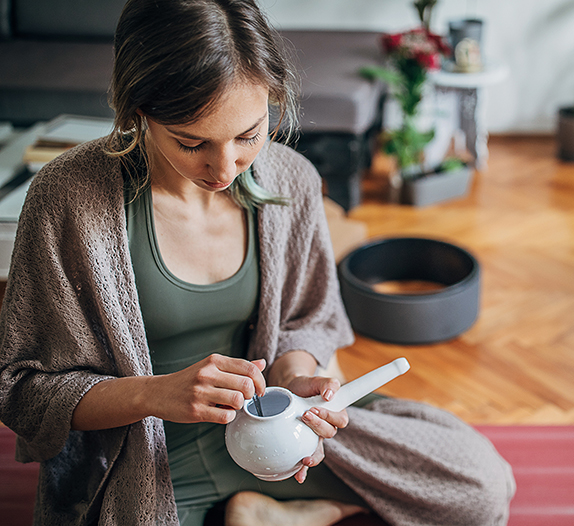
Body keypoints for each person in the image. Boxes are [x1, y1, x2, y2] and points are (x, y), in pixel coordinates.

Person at [0, 1, 515, 525]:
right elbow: (22, 389)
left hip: (276, 436)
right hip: (147, 460)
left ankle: (287, 511)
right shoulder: (69, 198)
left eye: (249, 135)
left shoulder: (290, 179)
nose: (224, 169)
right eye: (192, 142)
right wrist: (155, 394)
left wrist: (296, 378)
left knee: (480, 488)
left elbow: (306, 321)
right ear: (138, 112)